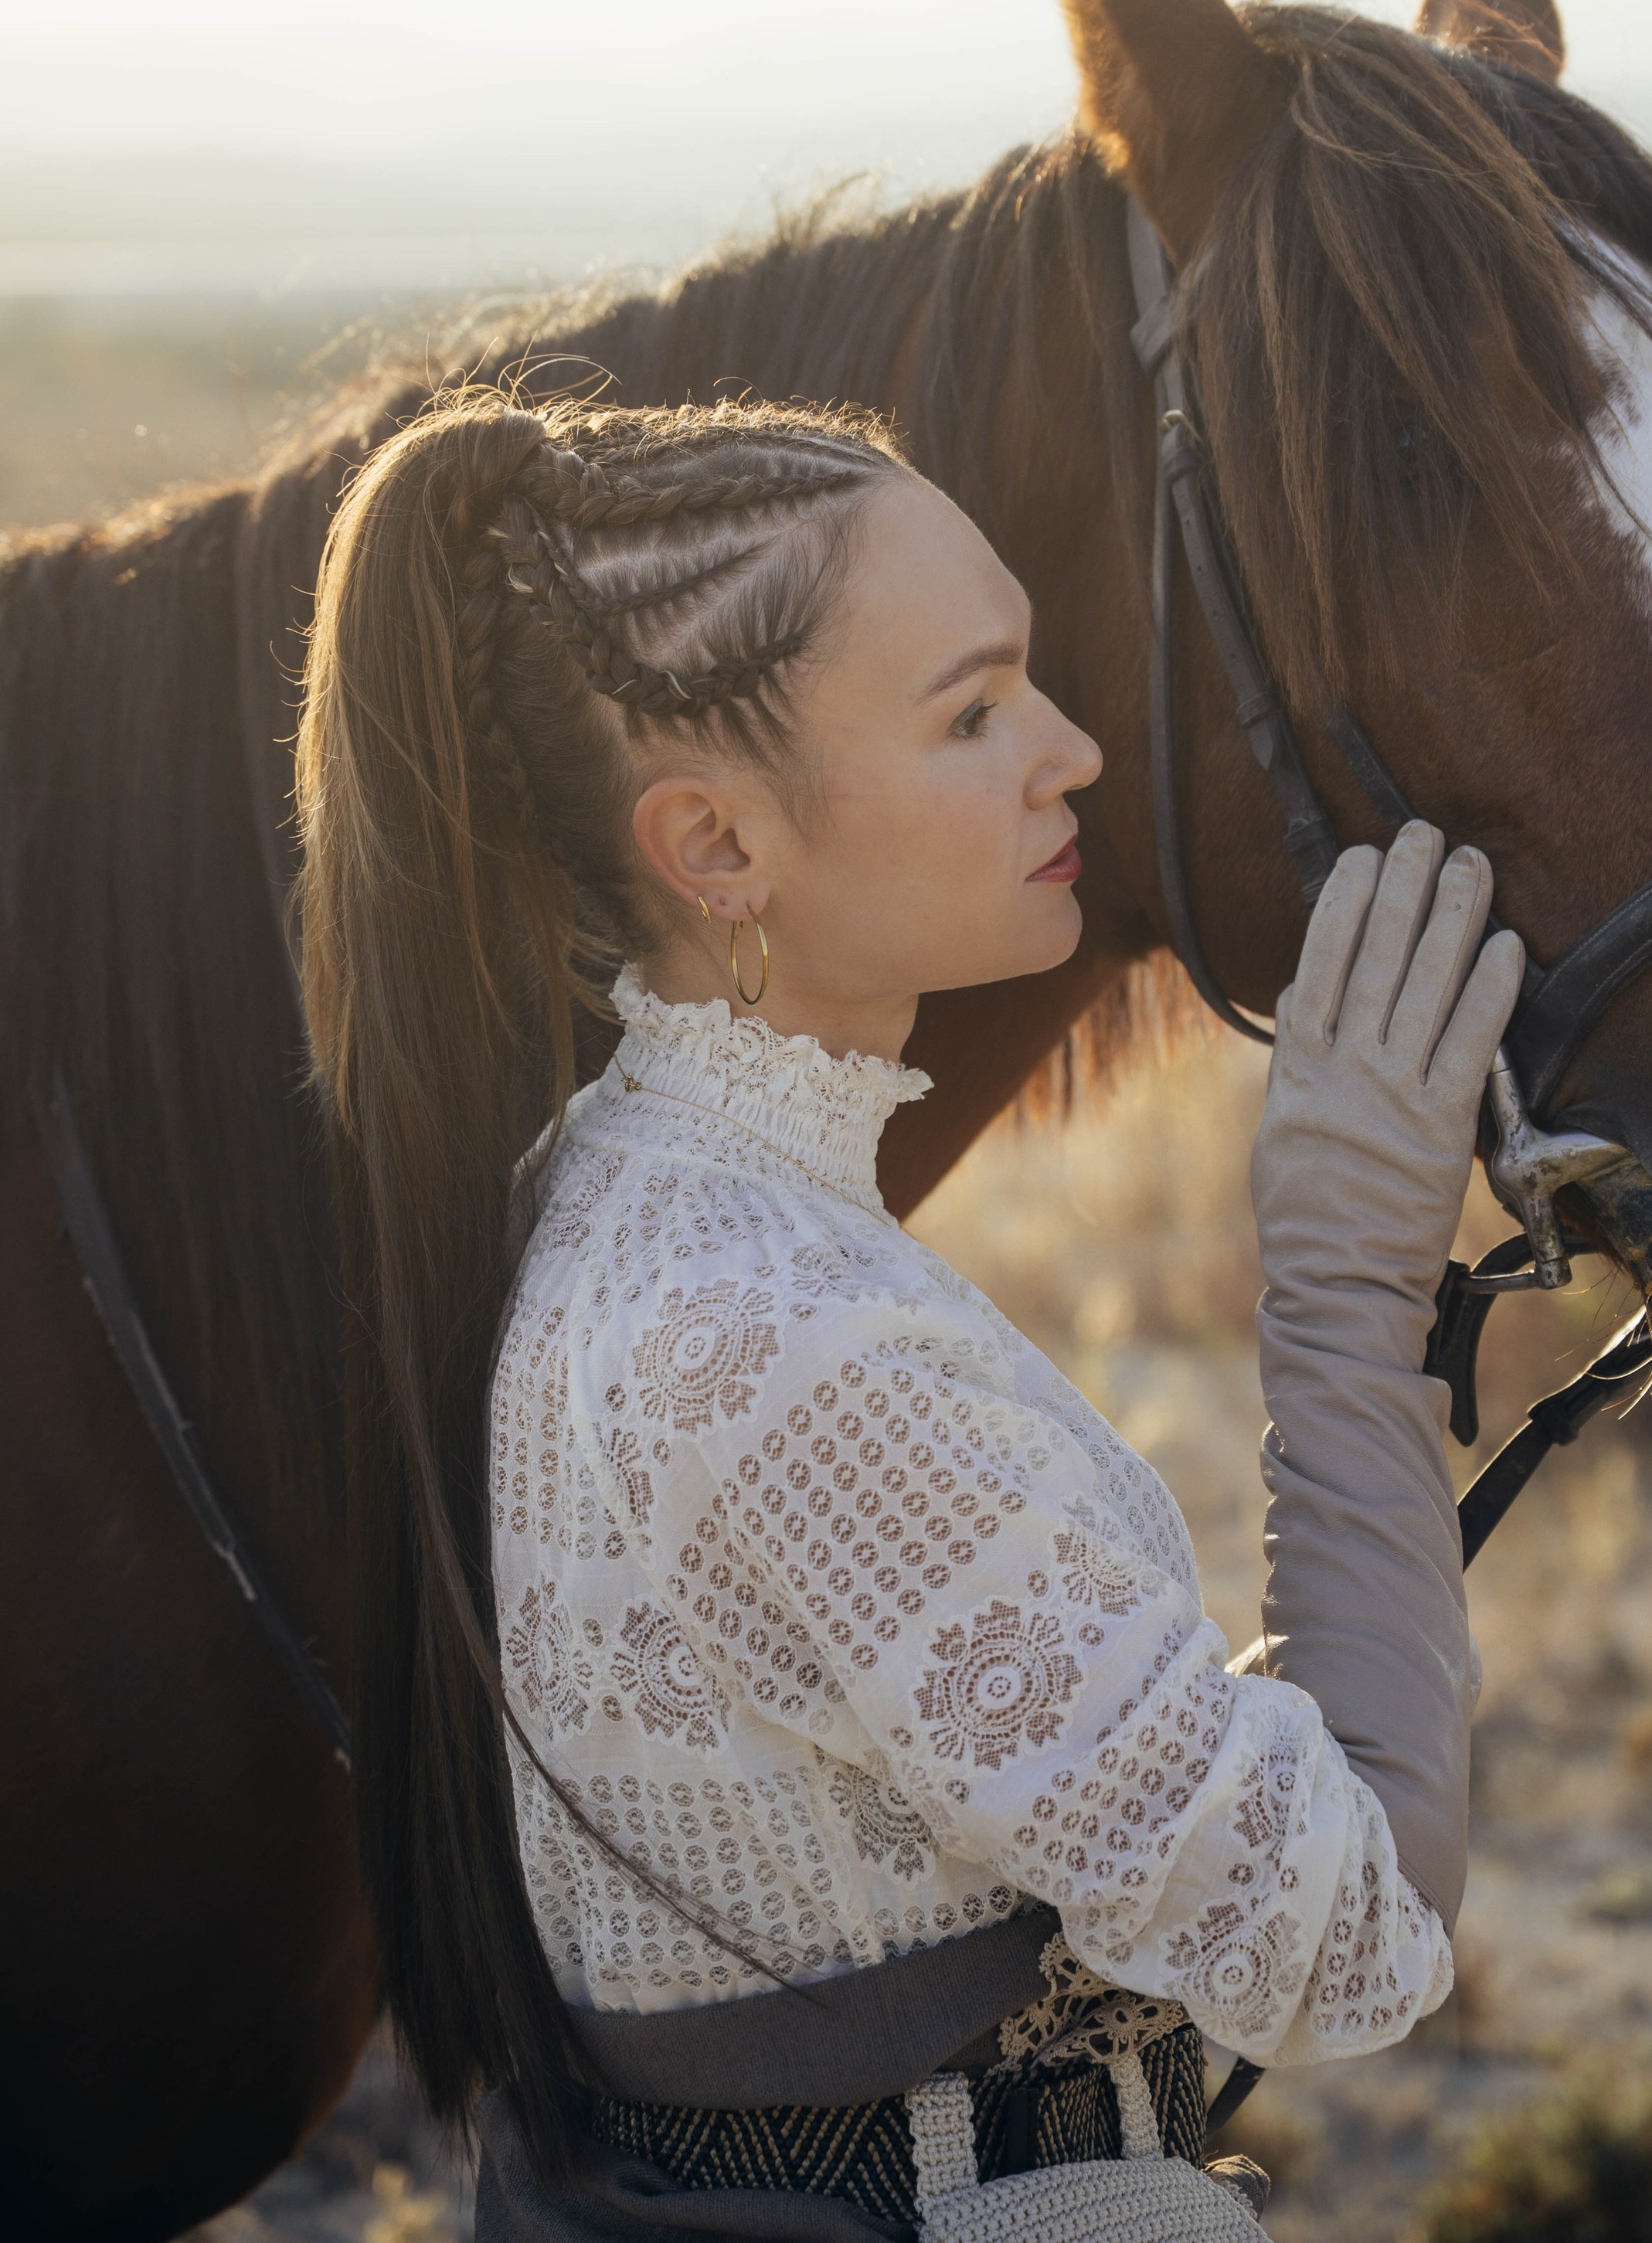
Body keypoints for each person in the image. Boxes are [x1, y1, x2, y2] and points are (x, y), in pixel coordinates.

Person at [295, 389, 1521, 2241]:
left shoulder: (599, 1193)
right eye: (969, 713)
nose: (1075, 750)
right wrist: (1347, 1291)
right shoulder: (800, 1349)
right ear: (716, 849)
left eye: (1027, 682)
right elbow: (1344, 1930)